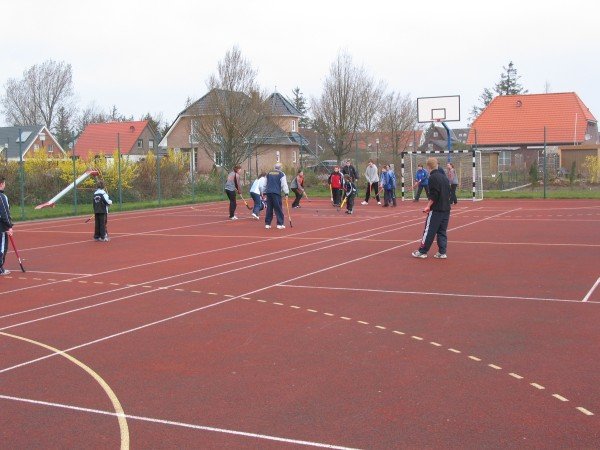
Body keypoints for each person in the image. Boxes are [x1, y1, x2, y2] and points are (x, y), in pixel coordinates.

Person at [412, 157, 451, 259]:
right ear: (437, 165)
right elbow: (448, 192)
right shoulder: (444, 177)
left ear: (428, 167)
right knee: (442, 231)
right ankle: (442, 252)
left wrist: (428, 206)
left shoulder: (432, 177)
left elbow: (434, 195)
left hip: (436, 209)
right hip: (446, 209)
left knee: (429, 230)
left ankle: (422, 251)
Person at [260, 163, 289, 229]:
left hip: (269, 193)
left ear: (274, 167)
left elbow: (264, 184)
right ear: (280, 168)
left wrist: (263, 192)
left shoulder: (269, 173)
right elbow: (284, 184)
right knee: (278, 208)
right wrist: (286, 193)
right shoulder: (281, 174)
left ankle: (267, 224)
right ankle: (280, 224)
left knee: (269, 208)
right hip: (276, 193)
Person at [0, 176, 14, 275]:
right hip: (1, 228)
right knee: (2, 247)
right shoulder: (2, 197)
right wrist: (9, 226)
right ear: (1, 184)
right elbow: (4, 213)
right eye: (4, 183)